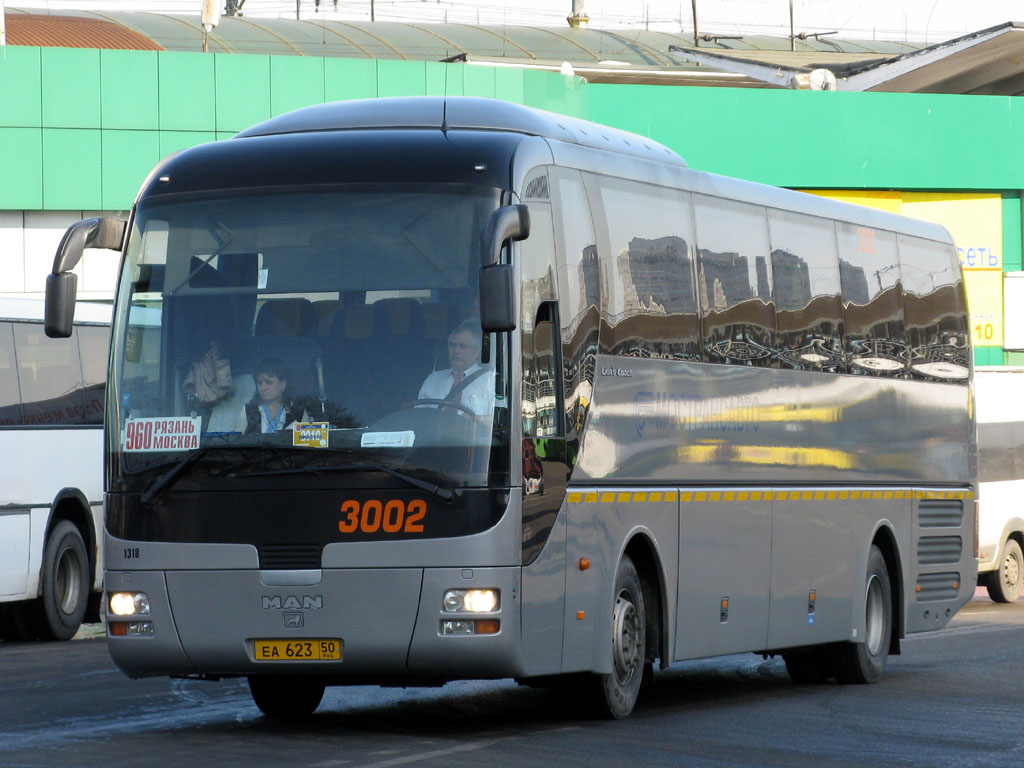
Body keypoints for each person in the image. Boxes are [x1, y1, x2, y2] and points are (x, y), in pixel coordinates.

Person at [418, 322, 495, 416]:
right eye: (452, 345)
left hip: (473, 430)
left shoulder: (491, 381)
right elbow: (418, 415)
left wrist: (477, 419)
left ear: (476, 351)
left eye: (463, 346)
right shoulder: (433, 379)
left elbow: (500, 421)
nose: (456, 351)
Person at [243, 358, 300, 434]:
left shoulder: (298, 411)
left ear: (283, 383)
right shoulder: (247, 411)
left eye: (269, 382)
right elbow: (235, 442)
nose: (262, 388)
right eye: (259, 383)